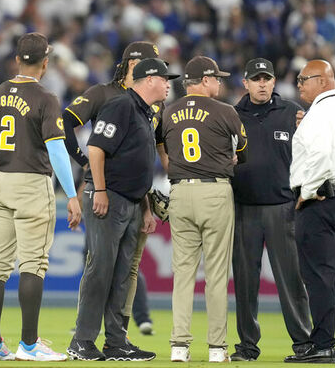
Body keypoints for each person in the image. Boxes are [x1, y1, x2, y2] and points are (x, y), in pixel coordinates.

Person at [0, 33, 81, 361]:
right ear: (45, 62)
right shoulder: (46, 97)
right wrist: (72, 194)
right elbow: (57, 148)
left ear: (17, 59)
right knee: (33, 263)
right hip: (32, 183)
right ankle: (29, 345)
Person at [68, 58, 174, 362]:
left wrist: (145, 210)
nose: (169, 84)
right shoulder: (121, 105)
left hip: (130, 201)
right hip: (108, 197)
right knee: (100, 269)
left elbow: (138, 167)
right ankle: (82, 340)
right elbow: (96, 148)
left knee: (121, 274)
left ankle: (116, 341)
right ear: (148, 79)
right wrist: (99, 190)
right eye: (165, 78)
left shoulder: (144, 113)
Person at [163, 56, 248, 364]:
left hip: (180, 190)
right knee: (215, 275)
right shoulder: (226, 111)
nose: (220, 83)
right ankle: (216, 348)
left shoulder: (169, 112)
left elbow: (161, 146)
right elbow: (243, 149)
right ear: (204, 80)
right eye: (216, 78)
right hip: (214, 190)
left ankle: (179, 347)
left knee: (183, 274)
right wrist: (229, 156)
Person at [230, 58, 313, 362]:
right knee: (245, 282)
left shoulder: (292, 113)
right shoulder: (232, 115)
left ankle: (304, 344)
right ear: (246, 83)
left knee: (291, 280)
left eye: (267, 78)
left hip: (282, 207)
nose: (262, 84)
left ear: (275, 81)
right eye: (256, 79)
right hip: (243, 208)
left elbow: (310, 154)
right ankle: (248, 346)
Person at [286, 59, 335, 364]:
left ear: (322, 80)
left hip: (321, 199)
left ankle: (321, 345)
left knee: (319, 276)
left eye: (303, 79)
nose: (300, 85)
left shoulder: (318, 114)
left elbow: (318, 154)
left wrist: (306, 193)